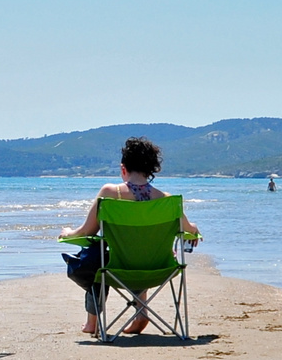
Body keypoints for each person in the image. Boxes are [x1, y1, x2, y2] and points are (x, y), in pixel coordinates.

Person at [62, 137, 201, 336]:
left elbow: (87, 232)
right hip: (159, 269)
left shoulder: (109, 193)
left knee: (96, 255)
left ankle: (93, 321)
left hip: (118, 270)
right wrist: (194, 228)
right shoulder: (169, 201)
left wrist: (68, 233)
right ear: (151, 169)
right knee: (139, 252)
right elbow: (188, 229)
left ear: (123, 168)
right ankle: (141, 311)